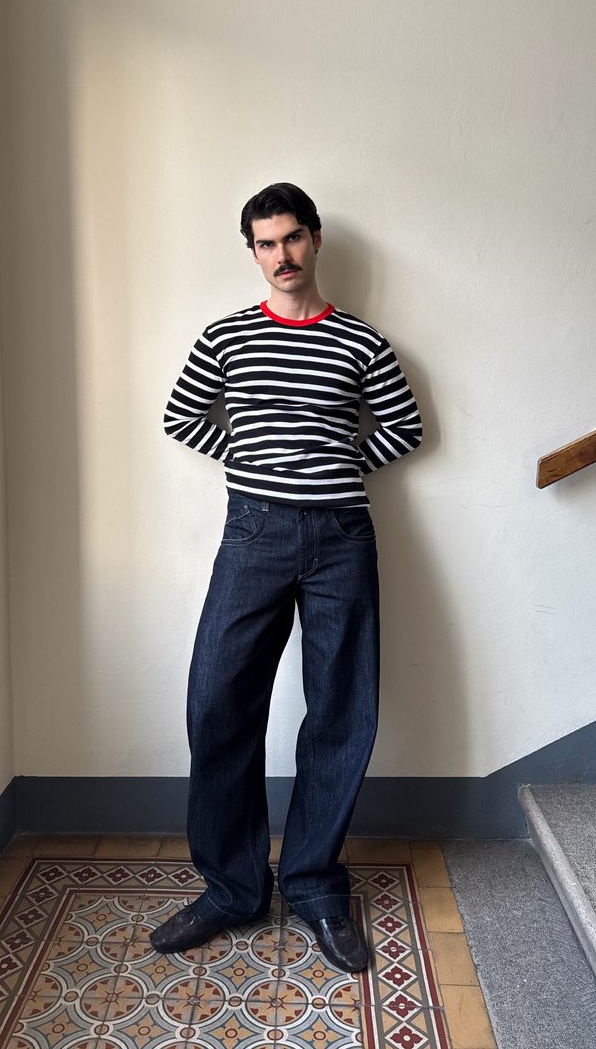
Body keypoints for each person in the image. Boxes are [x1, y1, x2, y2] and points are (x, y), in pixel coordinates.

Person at [157, 183, 422, 972]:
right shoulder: (227, 337)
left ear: (315, 240)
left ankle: (314, 885)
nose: (282, 255)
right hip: (254, 533)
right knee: (218, 702)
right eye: (266, 243)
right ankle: (232, 889)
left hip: (341, 535)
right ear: (253, 251)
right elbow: (181, 415)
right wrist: (254, 461)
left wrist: (335, 464)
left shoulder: (361, 342)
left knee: (341, 710)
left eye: (293, 238)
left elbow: (405, 427)